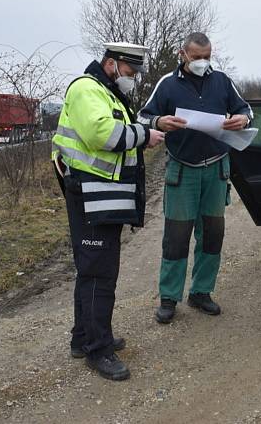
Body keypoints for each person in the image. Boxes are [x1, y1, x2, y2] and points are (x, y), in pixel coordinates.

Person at [51, 42, 164, 381]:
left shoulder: (107, 92)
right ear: (112, 64)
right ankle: (98, 350)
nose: (133, 78)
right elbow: (102, 133)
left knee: (92, 270)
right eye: (131, 71)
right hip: (90, 196)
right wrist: (145, 135)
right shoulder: (87, 89)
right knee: (99, 274)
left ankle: (83, 337)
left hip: (102, 195)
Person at [137, 32, 253, 324]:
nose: (203, 62)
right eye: (197, 56)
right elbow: (142, 117)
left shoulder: (222, 81)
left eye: (207, 56)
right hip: (182, 168)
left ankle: (201, 291)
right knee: (176, 236)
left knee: (212, 234)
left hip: (216, 168)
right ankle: (168, 297)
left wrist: (243, 120)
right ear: (183, 54)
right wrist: (159, 121)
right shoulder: (167, 84)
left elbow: (245, 110)